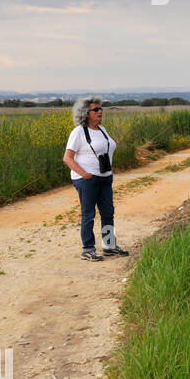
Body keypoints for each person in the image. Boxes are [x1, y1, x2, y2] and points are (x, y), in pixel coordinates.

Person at [62, 96, 129, 261]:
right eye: (96, 109)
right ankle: (88, 249)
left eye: (101, 109)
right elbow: (67, 158)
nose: (100, 112)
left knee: (108, 212)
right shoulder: (78, 132)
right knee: (88, 214)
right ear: (86, 113)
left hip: (105, 177)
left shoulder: (102, 129)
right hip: (87, 179)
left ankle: (109, 245)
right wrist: (84, 174)